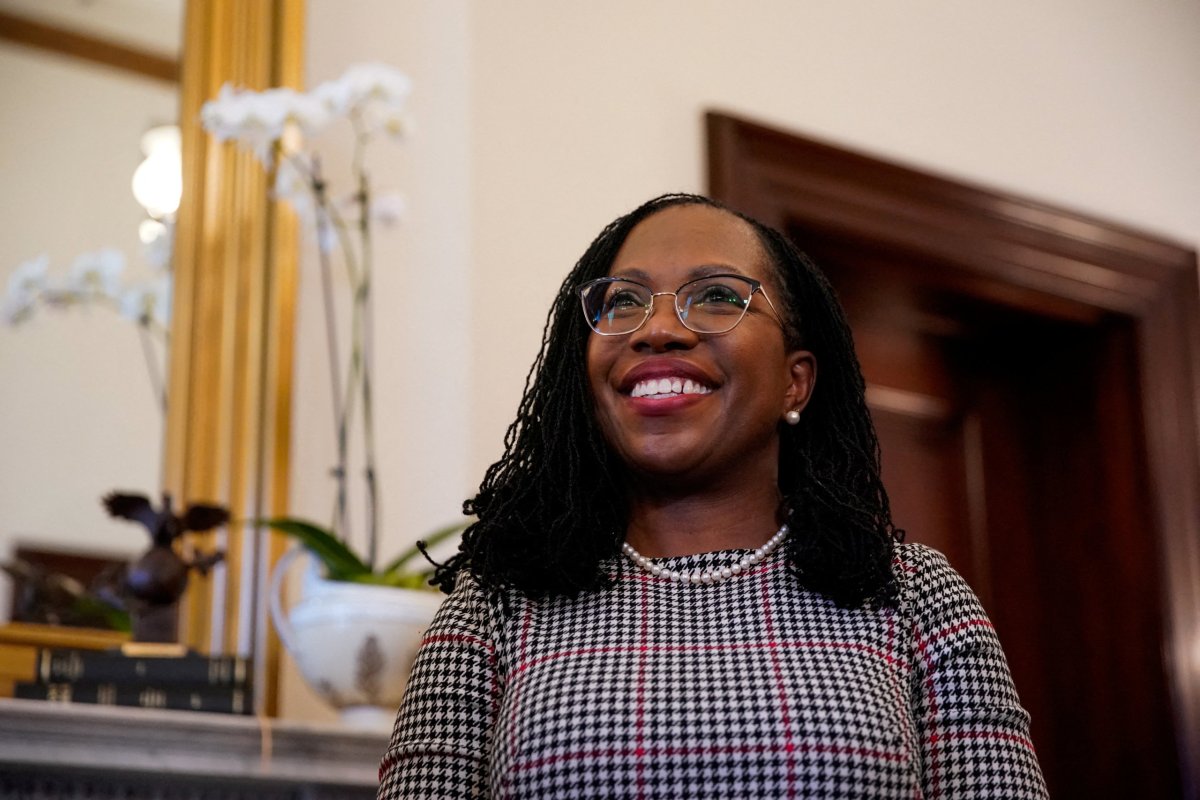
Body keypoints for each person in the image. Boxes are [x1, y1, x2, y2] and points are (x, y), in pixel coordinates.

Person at [377, 193, 1048, 799]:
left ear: (796, 381)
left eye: (718, 296)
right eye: (622, 302)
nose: (657, 328)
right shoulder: (496, 603)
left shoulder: (915, 595)